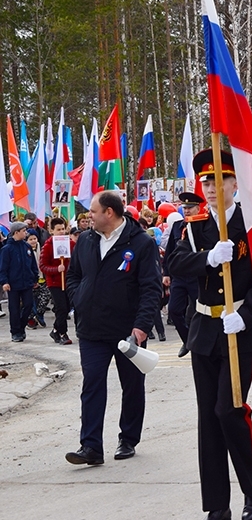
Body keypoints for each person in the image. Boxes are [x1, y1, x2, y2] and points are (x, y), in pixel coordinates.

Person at [168, 148, 252, 519]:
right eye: (206, 181)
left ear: (235, 183)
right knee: (208, 417)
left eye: (220, 180)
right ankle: (217, 505)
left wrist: (245, 314)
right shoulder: (193, 225)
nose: (212, 187)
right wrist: (209, 258)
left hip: (238, 331)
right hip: (204, 330)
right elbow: (173, 263)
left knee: (228, 410)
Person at [64, 191, 162, 466]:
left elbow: (151, 288)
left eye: (93, 211)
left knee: (131, 386)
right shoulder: (85, 239)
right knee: (92, 384)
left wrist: (141, 327)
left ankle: (128, 438)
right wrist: (79, 298)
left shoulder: (141, 243)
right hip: (91, 329)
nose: (88, 217)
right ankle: (91, 446)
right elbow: (74, 275)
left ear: (109, 212)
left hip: (127, 331)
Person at [163, 191, 204, 357]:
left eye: (190, 208)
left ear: (198, 208)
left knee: (199, 312)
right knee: (174, 310)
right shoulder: (177, 226)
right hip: (179, 276)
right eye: (184, 207)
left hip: (196, 276)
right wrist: (166, 272)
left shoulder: (202, 225)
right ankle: (187, 341)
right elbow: (170, 251)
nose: (187, 210)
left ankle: (200, 342)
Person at [0, 222, 39, 342]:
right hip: (13, 284)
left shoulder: (26, 247)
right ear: (16, 232)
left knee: (28, 305)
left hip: (27, 282)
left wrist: (35, 277)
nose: (25, 233)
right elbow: (3, 267)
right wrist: (4, 281)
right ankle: (16, 331)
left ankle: (21, 326)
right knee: (14, 308)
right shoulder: (7, 249)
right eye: (23, 231)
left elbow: (32, 264)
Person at [39, 217, 75, 344]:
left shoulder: (70, 244)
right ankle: (63, 333)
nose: (61, 232)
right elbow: (43, 266)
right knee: (61, 308)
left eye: (63, 229)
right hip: (54, 282)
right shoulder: (48, 246)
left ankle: (55, 330)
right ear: (51, 230)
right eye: (58, 229)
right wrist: (56, 269)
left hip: (68, 280)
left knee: (67, 306)